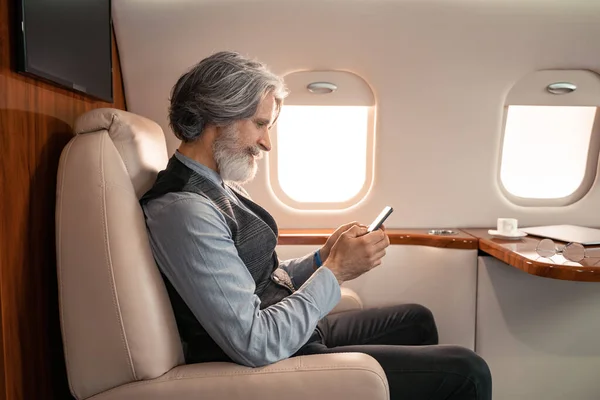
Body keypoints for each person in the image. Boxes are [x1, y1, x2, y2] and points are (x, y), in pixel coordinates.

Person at [140, 51, 492, 399]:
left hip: (288, 324)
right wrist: (336, 272)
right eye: (260, 124)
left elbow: (257, 277)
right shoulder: (185, 209)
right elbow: (256, 342)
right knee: (468, 372)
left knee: (416, 320)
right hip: (274, 357)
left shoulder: (216, 184)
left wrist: (323, 258)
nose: (266, 143)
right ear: (219, 116)